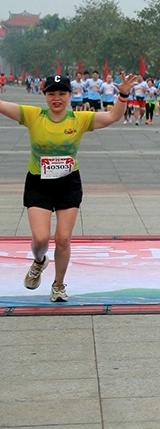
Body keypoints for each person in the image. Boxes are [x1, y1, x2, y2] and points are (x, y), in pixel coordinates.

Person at [3, 72, 139, 302]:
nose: (57, 98)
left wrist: (124, 94)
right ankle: (39, 261)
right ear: (45, 95)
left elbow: (113, 116)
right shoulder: (33, 115)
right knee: (41, 239)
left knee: (63, 238)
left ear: (70, 95)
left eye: (62, 93)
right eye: (52, 94)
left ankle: (58, 285)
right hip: (39, 183)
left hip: (68, 183)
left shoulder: (79, 119)